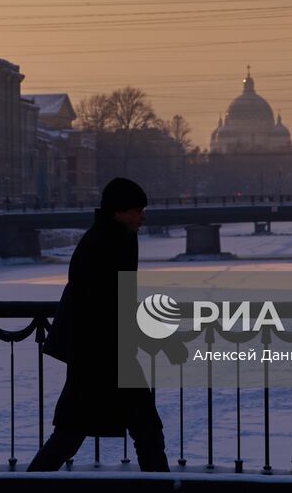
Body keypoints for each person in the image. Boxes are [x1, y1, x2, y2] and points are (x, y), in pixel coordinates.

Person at [28, 177, 186, 472]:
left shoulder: (112, 238)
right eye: (138, 210)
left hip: (100, 356)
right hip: (102, 357)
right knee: (141, 432)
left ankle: (26, 487)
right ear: (119, 211)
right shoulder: (107, 243)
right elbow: (109, 305)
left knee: (75, 433)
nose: (143, 216)